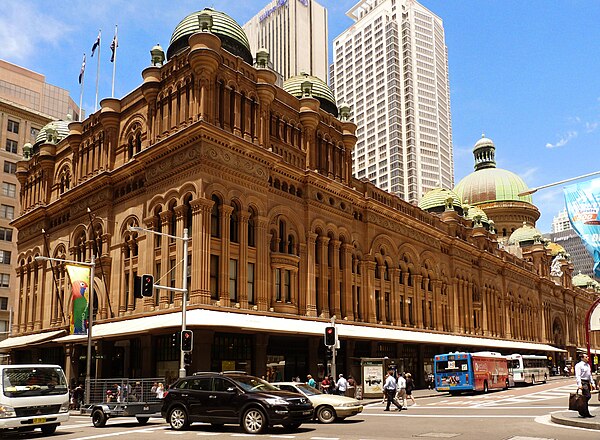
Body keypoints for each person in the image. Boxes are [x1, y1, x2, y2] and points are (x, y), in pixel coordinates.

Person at [575, 353, 595, 418]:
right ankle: (583, 411)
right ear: (582, 358)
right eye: (586, 357)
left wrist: (592, 383)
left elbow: (590, 375)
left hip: (587, 382)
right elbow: (578, 375)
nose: (588, 358)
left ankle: (584, 411)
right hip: (583, 382)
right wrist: (579, 384)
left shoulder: (588, 365)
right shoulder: (578, 365)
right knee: (587, 396)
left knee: (586, 397)